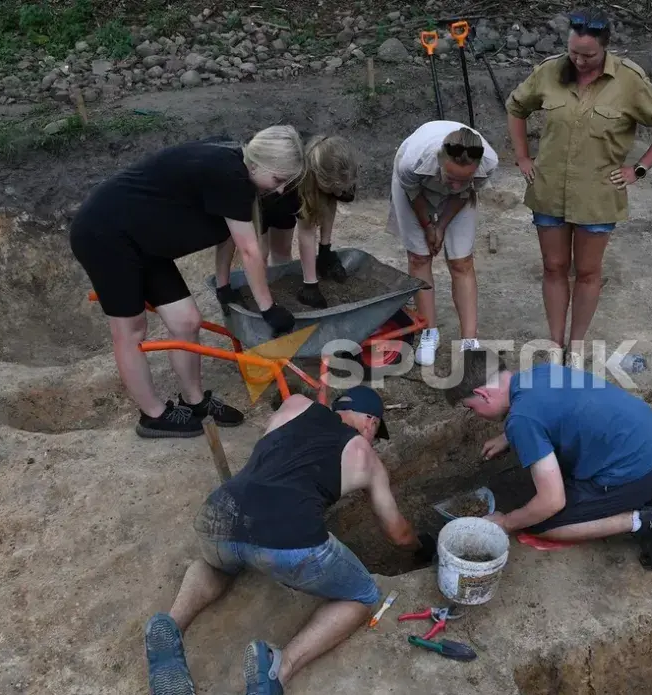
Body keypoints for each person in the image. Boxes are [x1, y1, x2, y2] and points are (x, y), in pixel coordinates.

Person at [144, 385, 429, 695]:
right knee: (363, 595)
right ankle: (279, 669)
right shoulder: (365, 455)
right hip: (289, 537)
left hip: (221, 513)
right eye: (375, 431)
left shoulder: (294, 404)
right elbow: (398, 534)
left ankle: (170, 628)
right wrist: (421, 547)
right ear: (371, 422)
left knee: (219, 563)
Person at [70, 127, 306, 439]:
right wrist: (268, 308)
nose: (279, 191)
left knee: (187, 321)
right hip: (105, 236)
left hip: (145, 242)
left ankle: (195, 402)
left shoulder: (237, 170)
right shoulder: (230, 176)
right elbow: (250, 250)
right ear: (257, 164)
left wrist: (224, 285)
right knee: (130, 331)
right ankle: (153, 416)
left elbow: (233, 240)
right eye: (278, 180)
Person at [505, 7, 652, 368]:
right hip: (550, 188)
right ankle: (555, 345)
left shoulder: (629, 81)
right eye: (574, 52)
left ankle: (576, 346)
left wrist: (638, 169)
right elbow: (516, 106)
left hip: (598, 194)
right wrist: (523, 157)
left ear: (605, 49)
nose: (580, 61)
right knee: (554, 266)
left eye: (588, 55)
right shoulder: (550, 71)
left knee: (587, 272)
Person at [444, 348, 652, 570]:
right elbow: (549, 408)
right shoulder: (538, 373)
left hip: (636, 472)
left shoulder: (523, 420)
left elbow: (552, 502)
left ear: (482, 394)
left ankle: (644, 521)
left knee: (540, 523)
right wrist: (507, 436)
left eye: (471, 408)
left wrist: (505, 522)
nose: (476, 415)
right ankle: (651, 494)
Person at [386, 120, 499, 367]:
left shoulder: (488, 163)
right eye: (452, 177)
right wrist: (428, 227)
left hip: (459, 201)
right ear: (440, 161)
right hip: (415, 190)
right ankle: (429, 332)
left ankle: (469, 341)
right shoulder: (411, 162)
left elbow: (462, 193)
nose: (456, 183)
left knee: (462, 261)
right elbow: (414, 195)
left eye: (464, 178)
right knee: (420, 257)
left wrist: (441, 225)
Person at [254, 134, 360, 309]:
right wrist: (311, 285)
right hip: (264, 194)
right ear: (319, 179)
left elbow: (329, 201)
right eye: (335, 189)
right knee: (262, 252)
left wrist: (325, 249)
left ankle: (281, 289)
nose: (341, 194)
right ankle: (263, 300)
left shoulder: (334, 163)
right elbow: (307, 232)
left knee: (282, 251)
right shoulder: (302, 182)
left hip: (287, 191)